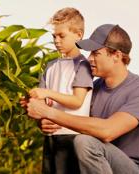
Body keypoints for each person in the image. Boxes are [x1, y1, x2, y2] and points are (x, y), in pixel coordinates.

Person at [26, 24, 139, 174]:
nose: (89, 59)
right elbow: (68, 119)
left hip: (136, 170)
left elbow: (107, 131)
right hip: (95, 166)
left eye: (96, 53)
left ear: (116, 55)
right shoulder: (90, 89)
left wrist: (50, 113)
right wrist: (43, 120)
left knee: (85, 142)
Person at [24, 7, 93, 174]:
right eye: (54, 36)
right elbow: (40, 101)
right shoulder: (50, 66)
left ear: (79, 35)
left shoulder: (83, 65)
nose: (56, 40)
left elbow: (77, 101)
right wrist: (37, 114)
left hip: (73, 137)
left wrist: (47, 93)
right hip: (50, 137)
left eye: (62, 36)